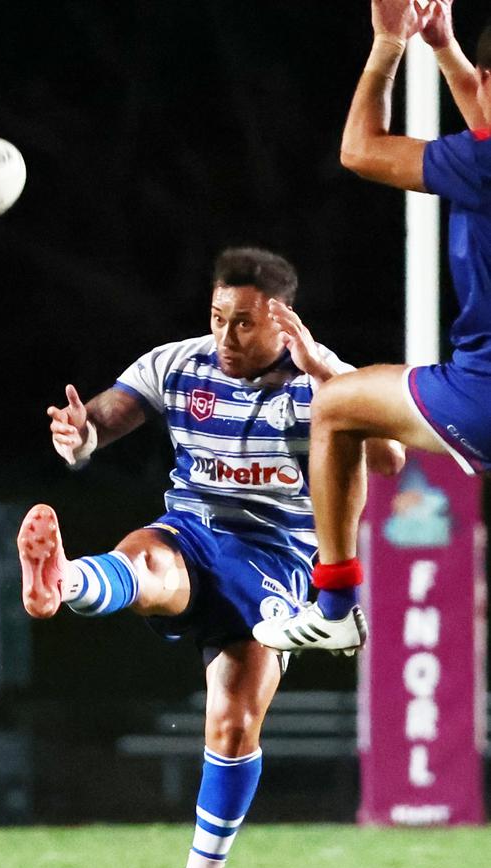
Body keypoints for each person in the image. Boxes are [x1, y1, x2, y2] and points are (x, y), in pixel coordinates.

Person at [17, 247, 403, 868]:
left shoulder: (319, 376)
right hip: (192, 530)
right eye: (218, 317)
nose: (226, 336)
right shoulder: (180, 364)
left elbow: (388, 462)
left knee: (230, 728)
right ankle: (64, 581)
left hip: (279, 559)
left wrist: (332, 379)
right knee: (151, 565)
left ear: (282, 324)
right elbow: (106, 416)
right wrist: (80, 438)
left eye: (244, 324)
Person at [253, 0, 491, 654]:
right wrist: (444, 48)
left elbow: (360, 149)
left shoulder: (481, 164)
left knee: (333, 407)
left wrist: (390, 46)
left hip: (483, 397)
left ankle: (334, 608)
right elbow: (485, 114)